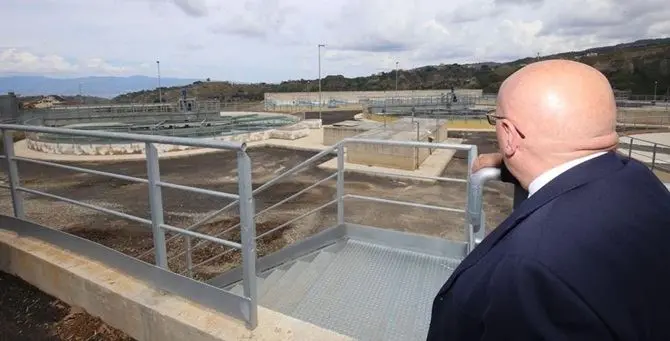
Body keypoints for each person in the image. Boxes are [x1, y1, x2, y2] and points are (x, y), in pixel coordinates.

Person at [427, 59, 670, 340]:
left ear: (508, 135)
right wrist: (509, 164)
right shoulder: (639, 181)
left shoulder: (529, 270)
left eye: (496, 121)